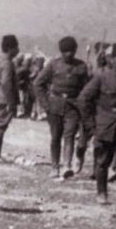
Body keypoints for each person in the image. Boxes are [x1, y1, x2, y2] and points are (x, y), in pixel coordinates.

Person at [78, 41, 116, 204]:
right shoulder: (101, 77)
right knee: (102, 160)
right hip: (104, 125)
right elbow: (83, 99)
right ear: (111, 60)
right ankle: (102, 193)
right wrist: (90, 125)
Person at [34, 36, 89, 180]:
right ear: (61, 51)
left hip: (72, 106)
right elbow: (38, 83)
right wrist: (45, 105)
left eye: (72, 51)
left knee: (69, 136)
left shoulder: (81, 67)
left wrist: (81, 103)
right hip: (55, 105)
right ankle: (54, 167)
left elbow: (86, 88)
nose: (69, 54)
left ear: (76, 50)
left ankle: (67, 166)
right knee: (55, 137)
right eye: (65, 51)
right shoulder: (53, 65)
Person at [0, 35, 19, 162]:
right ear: (10, 48)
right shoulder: (7, 63)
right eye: (16, 47)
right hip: (4, 98)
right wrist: (11, 101)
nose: (18, 50)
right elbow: (6, 82)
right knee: (0, 126)